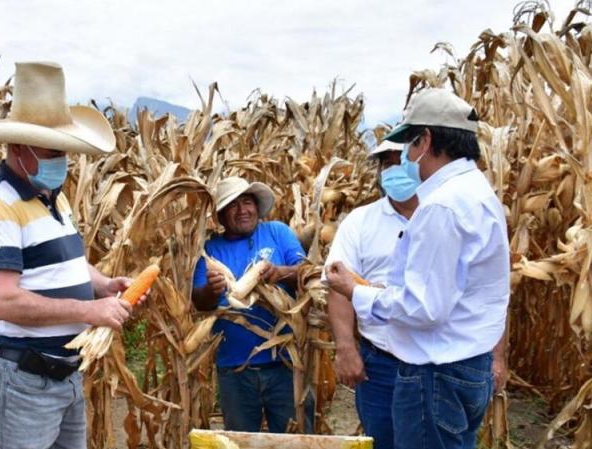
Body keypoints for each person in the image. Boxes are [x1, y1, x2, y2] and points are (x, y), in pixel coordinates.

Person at [0, 61, 144, 449]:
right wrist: (88, 311)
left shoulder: (50, 197)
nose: (60, 159)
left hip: (64, 376)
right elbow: (2, 301)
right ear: (18, 146)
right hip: (23, 379)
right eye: (51, 150)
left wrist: (103, 285)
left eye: (63, 150)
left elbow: (63, 263)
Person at [325, 88, 510, 449]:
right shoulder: (478, 192)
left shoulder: (441, 206)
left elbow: (422, 308)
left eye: (409, 146)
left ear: (425, 140)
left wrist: (356, 291)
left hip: (436, 375)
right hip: (465, 366)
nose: (406, 159)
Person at [191, 176, 313, 433]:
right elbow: (199, 302)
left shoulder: (277, 232)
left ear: (257, 206)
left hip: (286, 363)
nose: (242, 210)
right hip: (235, 368)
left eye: (247, 202)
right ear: (221, 216)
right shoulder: (210, 250)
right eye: (233, 206)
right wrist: (211, 290)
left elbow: (307, 273)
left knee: (295, 439)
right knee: (241, 441)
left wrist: (280, 273)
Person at [324, 139, 417, 449]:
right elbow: (338, 286)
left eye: (401, 160)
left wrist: (497, 358)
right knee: (382, 440)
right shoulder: (360, 221)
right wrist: (345, 348)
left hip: (437, 363)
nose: (394, 170)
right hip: (381, 362)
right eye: (387, 163)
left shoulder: (443, 215)